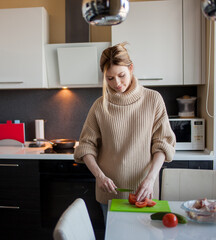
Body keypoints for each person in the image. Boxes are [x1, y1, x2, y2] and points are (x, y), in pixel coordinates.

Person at [74, 42, 176, 222]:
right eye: (110, 78)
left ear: (131, 68)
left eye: (121, 75)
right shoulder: (99, 106)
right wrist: (99, 176)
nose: (117, 83)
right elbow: (86, 146)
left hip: (145, 190)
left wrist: (150, 179)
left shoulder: (153, 100)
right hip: (109, 193)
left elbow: (163, 144)